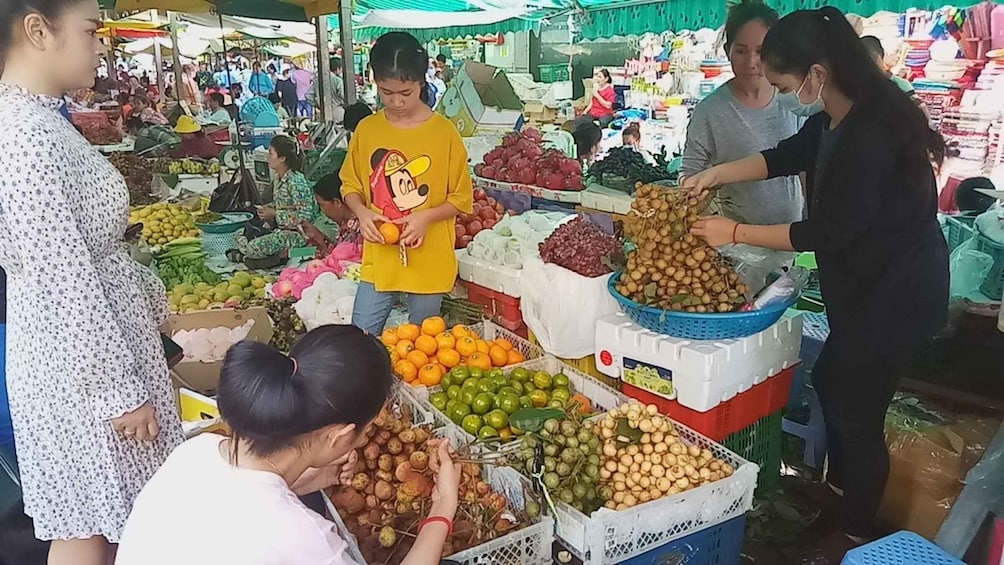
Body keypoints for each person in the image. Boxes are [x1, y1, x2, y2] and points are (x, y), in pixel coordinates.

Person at [681, 6, 948, 548]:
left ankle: (854, 530)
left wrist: (733, 232)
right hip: (864, 287)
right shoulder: (833, 118)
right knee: (832, 383)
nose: (780, 93)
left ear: (817, 74)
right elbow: (781, 155)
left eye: (784, 82)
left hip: (896, 293)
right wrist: (714, 174)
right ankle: (839, 494)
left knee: (858, 411)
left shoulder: (869, 135)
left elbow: (825, 232)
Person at [0, 1, 185, 563]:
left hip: (81, 361)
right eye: (90, 30)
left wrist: (151, 305)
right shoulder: (26, 135)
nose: (101, 44)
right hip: (81, 373)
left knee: (96, 522)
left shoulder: (39, 122)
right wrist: (118, 392)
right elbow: (64, 278)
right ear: (38, 29)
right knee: (94, 523)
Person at [115, 324, 462, 565]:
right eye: (368, 430)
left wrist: (315, 478)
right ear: (339, 437)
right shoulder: (304, 535)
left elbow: (239, 504)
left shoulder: (194, 451)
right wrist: (443, 506)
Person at [340, 32, 474, 335]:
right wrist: (362, 213)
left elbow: (461, 197)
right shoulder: (368, 129)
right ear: (374, 81)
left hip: (428, 258)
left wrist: (425, 216)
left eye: (406, 92)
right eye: (386, 92)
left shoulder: (444, 133)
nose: (396, 101)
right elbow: (350, 184)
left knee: (424, 345)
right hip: (379, 256)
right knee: (360, 337)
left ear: (421, 82)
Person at [682, 0, 805, 227]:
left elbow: (805, 163)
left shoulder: (795, 101)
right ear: (728, 51)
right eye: (741, 51)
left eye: (761, 51)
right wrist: (697, 194)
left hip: (791, 235)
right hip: (735, 243)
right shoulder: (709, 111)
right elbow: (690, 174)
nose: (751, 62)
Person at [231, 135, 319, 262]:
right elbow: (283, 204)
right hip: (280, 229)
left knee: (253, 247)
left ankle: (251, 255)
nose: (268, 158)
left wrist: (275, 214)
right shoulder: (279, 178)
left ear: (282, 158)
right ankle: (251, 256)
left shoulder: (296, 182)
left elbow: (306, 216)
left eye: (271, 154)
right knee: (238, 234)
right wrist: (268, 209)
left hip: (298, 234)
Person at [861, 35, 928, 115]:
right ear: (879, 57)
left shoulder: (856, 88)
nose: (897, 56)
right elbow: (923, 116)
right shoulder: (900, 85)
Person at [303, 173, 362, 252]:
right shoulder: (346, 224)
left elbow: (343, 259)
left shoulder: (358, 228)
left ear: (337, 202)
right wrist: (318, 237)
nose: (322, 211)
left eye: (322, 205)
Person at [309, 56, 346, 121]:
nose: (341, 71)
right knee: (340, 129)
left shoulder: (317, 80)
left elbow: (308, 95)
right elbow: (342, 95)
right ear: (337, 68)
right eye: (341, 68)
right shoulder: (338, 80)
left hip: (323, 111)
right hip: (337, 110)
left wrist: (317, 105)